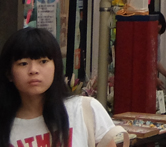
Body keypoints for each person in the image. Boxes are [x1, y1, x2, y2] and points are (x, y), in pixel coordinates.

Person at [0, 28, 129, 147]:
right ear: (9, 73)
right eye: (23, 63)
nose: (33, 70)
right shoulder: (6, 126)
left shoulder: (83, 110)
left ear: (56, 67)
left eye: (43, 61)